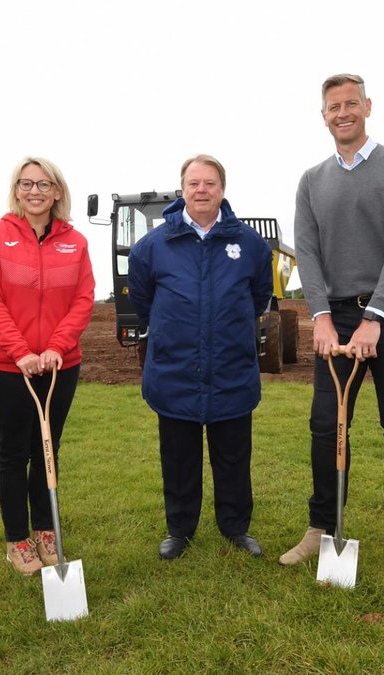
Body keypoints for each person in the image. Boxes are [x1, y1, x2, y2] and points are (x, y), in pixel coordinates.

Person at [281, 74, 384, 576]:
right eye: (332, 107)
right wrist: (320, 316)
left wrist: (374, 318)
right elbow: (310, 253)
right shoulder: (311, 181)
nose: (342, 113)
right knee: (327, 424)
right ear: (323, 116)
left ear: (367, 107)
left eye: (350, 104)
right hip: (337, 315)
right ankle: (321, 526)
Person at [127, 154, 273, 561]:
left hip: (231, 370)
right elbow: (144, 302)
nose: (202, 190)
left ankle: (235, 527)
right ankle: (180, 529)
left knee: (233, 458)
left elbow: (259, 297)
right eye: (194, 183)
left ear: (222, 190)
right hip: (175, 373)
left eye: (210, 183)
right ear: (183, 189)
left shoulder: (250, 245)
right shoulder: (152, 247)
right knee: (178, 458)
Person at [0, 157, 95, 575]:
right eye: (26, 184)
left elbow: (83, 300)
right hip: (7, 367)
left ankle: (45, 529)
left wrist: (57, 346)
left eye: (44, 184)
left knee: (47, 449)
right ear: (16, 190)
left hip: (61, 365)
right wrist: (21, 351)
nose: (35, 191)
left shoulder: (75, 242)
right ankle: (17, 539)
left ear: (57, 191)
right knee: (13, 451)